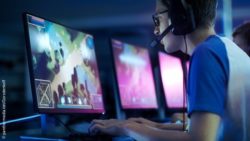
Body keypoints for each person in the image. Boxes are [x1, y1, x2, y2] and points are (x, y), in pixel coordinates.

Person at [89, 0, 250, 140]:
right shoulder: (225, 48)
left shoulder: (205, 54)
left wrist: (127, 129)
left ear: (179, 15)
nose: (155, 30)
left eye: (158, 19)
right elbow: (210, 129)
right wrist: (152, 126)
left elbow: (200, 139)